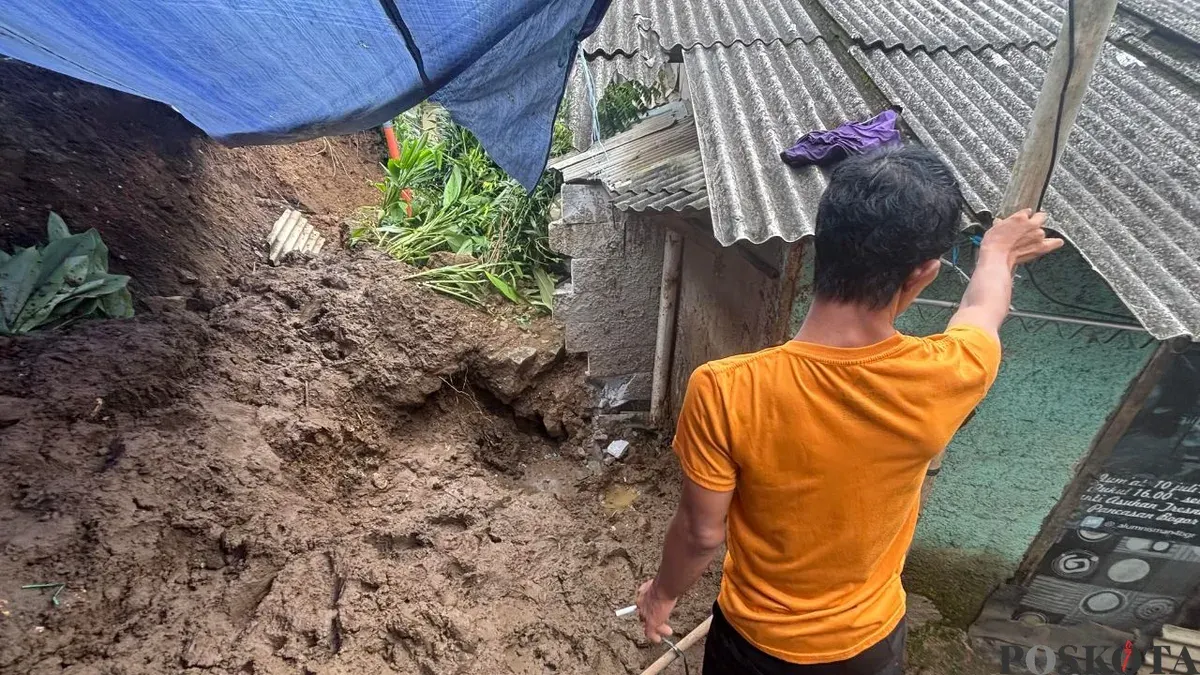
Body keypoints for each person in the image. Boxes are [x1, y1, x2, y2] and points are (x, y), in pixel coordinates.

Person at [634, 145, 1063, 674]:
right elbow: (982, 308)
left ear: (821, 244)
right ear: (923, 274)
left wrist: (660, 595)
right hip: (869, 646)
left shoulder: (726, 389)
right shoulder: (950, 372)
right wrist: (997, 253)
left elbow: (702, 534)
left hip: (757, 646)